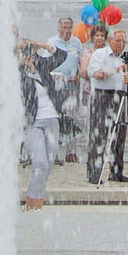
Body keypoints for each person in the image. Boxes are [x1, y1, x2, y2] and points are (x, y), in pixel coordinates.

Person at [86, 29, 128, 185]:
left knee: (119, 133)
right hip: (101, 95)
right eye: (118, 41)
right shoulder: (100, 54)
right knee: (99, 133)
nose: (121, 44)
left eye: (124, 41)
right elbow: (97, 74)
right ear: (110, 41)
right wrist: (117, 70)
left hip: (120, 95)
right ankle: (94, 172)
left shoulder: (127, 59)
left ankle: (116, 171)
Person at [19, 37, 66, 209]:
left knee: (48, 163)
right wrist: (29, 71)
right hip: (33, 122)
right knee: (40, 163)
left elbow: (61, 56)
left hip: (52, 118)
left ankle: (31, 201)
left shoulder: (43, 65)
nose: (28, 56)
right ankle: (38, 205)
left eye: (30, 52)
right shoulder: (18, 73)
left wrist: (43, 45)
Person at [44, 16, 83, 162]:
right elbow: (46, 65)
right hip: (56, 87)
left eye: (69, 27)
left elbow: (80, 63)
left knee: (73, 118)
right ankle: (53, 151)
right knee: (55, 118)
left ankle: (71, 152)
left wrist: (77, 75)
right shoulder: (52, 42)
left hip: (72, 87)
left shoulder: (77, 43)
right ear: (59, 28)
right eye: (64, 27)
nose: (67, 30)